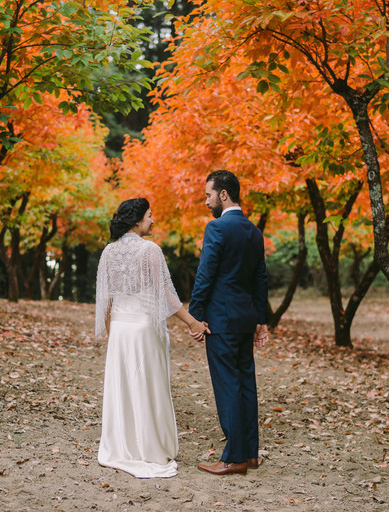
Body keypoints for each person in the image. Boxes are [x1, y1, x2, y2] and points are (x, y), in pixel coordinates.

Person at [95, 197, 209, 478]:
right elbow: (167, 297)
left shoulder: (108, 252)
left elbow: (105, 302)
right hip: (144, 330)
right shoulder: (150, 251)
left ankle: (124, 446)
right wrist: (193, 322)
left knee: (125, 389)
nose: (153, 220)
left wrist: (112, 336)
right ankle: (150, 449)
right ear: (136, 220)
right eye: (149, 215)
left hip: (120, 332)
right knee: (148, 387)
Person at [188, 170, 269, 476]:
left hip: (221, 319)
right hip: (246, 318)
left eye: (209, 194)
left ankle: (234, 457)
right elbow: (261, 279)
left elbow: (205, 274)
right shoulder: (254, 231)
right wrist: (262, 320)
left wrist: (195, 317)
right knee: (246, 384)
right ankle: (249, 454)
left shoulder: (217, 228)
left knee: (228, 387)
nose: (206, 201)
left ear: (224, 194)